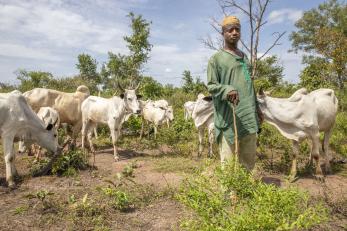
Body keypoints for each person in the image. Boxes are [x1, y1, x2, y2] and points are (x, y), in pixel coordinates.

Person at [207, 16, 263, 171]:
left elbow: (249, 86)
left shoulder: (244, 57)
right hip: (229, 118)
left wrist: (257, 109)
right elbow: (211, 85)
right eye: (230, 30)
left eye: (237, 29)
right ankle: (228, 196)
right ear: (223, 33)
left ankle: (244, 194)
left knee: (248, 164)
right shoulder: (216, 59)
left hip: (249, 117)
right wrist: (227, 89)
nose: (234, 32)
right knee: (229, 167)